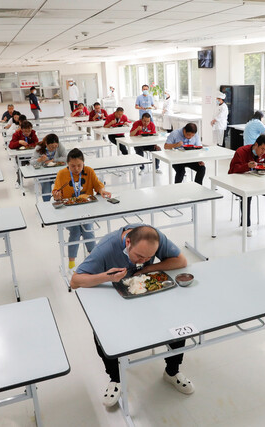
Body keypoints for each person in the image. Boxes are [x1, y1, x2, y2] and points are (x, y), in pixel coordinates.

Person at [70, 225, 193, 407]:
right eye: (139, 256)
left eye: (148, 257)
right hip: (114, 297)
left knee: (176, 322)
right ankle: (115, 379)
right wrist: (107, 277)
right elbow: (75, 281)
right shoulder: (106, 247)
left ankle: (172, 371)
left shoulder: (153, 238)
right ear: (128, 242)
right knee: (102, 336)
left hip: (144, 292)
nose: (142, 260)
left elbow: (181, 261)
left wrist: (145, 270)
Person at [53, 148, 112, 270]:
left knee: (87, 228)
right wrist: (56, 195)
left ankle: (93, 259)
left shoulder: (89, 171)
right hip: (69, 212)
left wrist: (102, 191)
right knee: (75, 230)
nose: (76, 169)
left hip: (87, 210)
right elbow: (56, 191)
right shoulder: (62, 174)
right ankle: (71, 262)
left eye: (79, 165)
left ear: (83, 163)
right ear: (67, 164)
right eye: (72, 166)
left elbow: (98, 185)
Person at [228, 134, 265, 237]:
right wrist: (247, 166)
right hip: (236, 184)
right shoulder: (241, 151)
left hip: (255, 183)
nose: (263, 152)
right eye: (262, 149)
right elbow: (232, 170)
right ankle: (246, 225)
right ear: (256, 144)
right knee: (247, 195)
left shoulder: (264, 154)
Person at [30, 133, 67, 202]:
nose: (53, 149)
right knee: (46, 185)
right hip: (44, 173)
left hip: (56, 172)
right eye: (51, 147)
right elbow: (31, 162)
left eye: (55, 147)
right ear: (46, 144)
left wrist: (54, 160)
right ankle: (46, 204)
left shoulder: (59, 145)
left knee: (64, 183)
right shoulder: (39, 147)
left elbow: (66, 157)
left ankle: (62, 201)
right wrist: (39, 160)